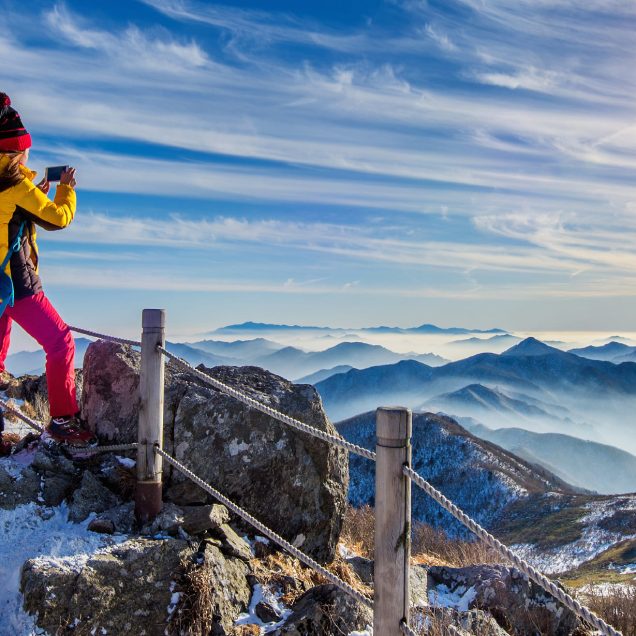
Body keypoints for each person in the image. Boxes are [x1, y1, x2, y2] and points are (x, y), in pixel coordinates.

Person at [0, 92, 95, 450]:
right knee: (60, 342)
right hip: (16, 283)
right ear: (15, 152)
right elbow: (58, 218)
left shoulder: (11, 184)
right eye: (23, 151)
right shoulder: (16, 185)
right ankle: (61, 420)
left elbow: (8, 215)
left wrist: (32, 196)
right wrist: (66, 189)